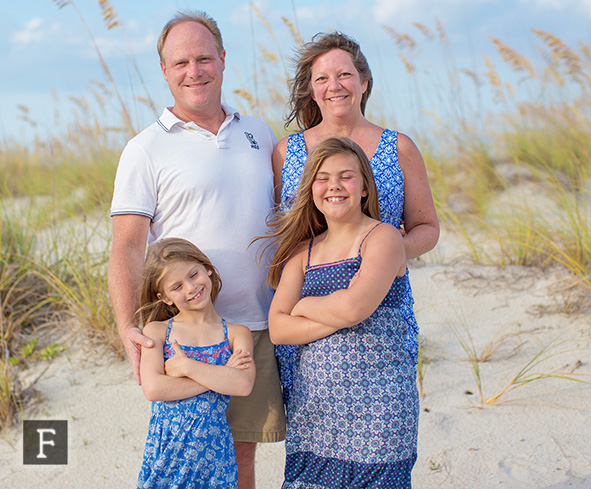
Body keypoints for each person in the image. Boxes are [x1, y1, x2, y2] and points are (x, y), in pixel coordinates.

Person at [109, 10, 284, 489]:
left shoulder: (258, 133)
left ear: (223, 60)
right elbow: (126, 246)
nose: (194, 71)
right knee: (183, 457)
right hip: (184, 335)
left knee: (239, 457)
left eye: (204, 58)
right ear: (164, 70)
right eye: (180, 62)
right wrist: (128, 327)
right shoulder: (145, 149)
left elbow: (283, 221)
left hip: (252, 328)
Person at [273, 31, 438, 374]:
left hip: (381, 309)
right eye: (322, 78)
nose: (335, 85)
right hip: (304, 314)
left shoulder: (399, 148)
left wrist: (382, 257)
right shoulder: (286, 153)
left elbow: (427, 228)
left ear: (364, 82)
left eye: (345, 74)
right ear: (312, 90)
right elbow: (283, 233)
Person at [265, 137, 417, 486]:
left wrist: (303, 307)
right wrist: (334, 312)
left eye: (346, 176)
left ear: (364, 186)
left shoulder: (383, 238)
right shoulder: (303, 251)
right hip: (316, 409)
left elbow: (355, 307)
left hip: (379, 405)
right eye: (322, 177)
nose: (334, 185)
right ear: (311, 189)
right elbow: (278, 329)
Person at [136, 238, 256, 488]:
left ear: (207, 268)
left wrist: (189, 368)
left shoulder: (236, 333)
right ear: (165, 297)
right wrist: (222, 376)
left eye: (193, 274)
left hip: (214, 453)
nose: (191, 288)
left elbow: (243, 384)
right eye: (177, 286)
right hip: (169, 450)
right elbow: (155, 389)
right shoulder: (157, 331)